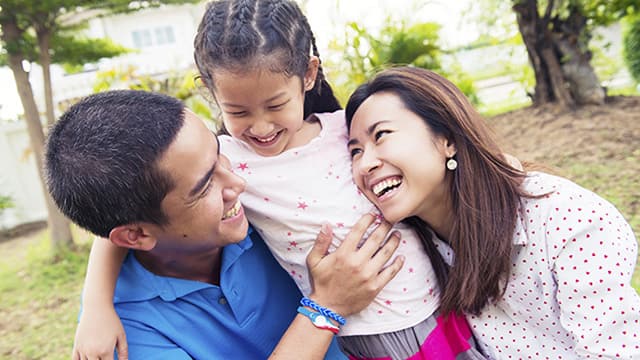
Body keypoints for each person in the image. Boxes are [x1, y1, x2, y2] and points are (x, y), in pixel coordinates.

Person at [73, 0, 486, 359]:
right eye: (238, 112)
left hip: (437, 301)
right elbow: (121, 224)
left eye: (275, 105)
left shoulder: (345, 130)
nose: (261, 126)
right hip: (368, 336)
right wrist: (97, 306)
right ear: (210, 92)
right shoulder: (228, 158)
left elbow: (421, 153)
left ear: (308, 75)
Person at [46, 90, 406, 360]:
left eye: (221, 155)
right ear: (136, 235)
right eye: (205, 187)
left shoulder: (260, 199)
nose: (238, 185)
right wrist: (327, 307)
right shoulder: (124, 336)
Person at [345, 66, 640, 359]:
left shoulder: (567, 219)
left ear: (448, 139)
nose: (364, 164)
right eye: (355, 151)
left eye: (381, 135)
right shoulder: (413, 251)